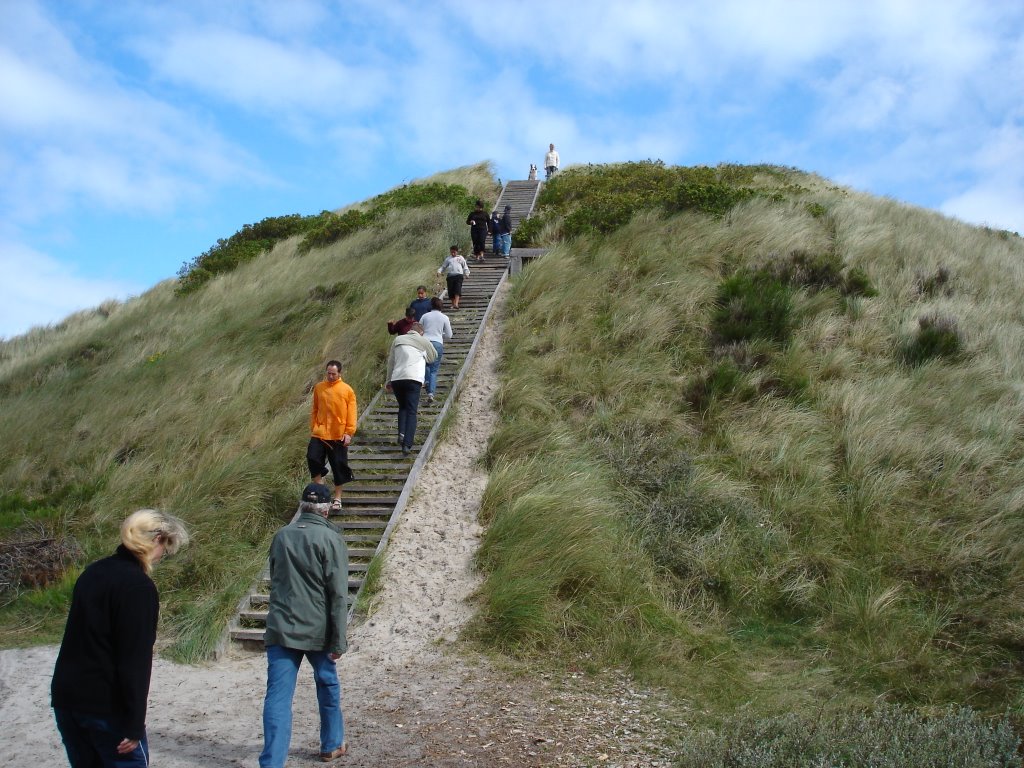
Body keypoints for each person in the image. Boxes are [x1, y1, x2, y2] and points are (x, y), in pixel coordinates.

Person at [51, 509, 190, 768]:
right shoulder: (137, 586)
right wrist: (135, 724)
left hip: (67, 698)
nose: (163, 555)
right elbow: (134, 660)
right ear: (157, 539)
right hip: (106, 706)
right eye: (166, 546)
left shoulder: (93, 572)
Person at [260, 483, 349, 766]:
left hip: (282, 626)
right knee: (327, 683)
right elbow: (337, 594)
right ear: (326, 509)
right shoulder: (331, 539)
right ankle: (331, 743)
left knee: (277, 696)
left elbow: (276, 578)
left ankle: (272, 762)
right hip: (317, 629)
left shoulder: (281, 536)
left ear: (303, 506)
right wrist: (339, 640)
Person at [308, 360, 357, 511]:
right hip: (320, 433)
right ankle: (322, 489)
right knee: (312, 457)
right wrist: (314, 426)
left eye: (333, 374)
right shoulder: (319, 388)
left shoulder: (347, 390)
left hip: (338, 434)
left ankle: (337, 498)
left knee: (338, 466)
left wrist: (349, 432)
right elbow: (315, 409)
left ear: (339, 373)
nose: (330, 376)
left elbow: (352, 413)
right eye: (328, 373)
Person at [385, 323, 437, 456]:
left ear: (409, 331)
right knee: (412, 411)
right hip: (413, 379)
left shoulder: (398, 340)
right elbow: (433, 357)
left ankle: (401, 434)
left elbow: (391, 361)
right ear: (421, 333)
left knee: (402, 406)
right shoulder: (423, 341)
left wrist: (388, 381)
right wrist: (424, 353)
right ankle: (407, 444)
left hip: (397, 378)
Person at [419, 297, 453, 404]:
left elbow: (419, 329)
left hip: (425, 342)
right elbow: (449, 335)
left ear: (431, 306)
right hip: (437, 343)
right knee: (434, 369)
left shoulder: (425, 316)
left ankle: (427, 381)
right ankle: (431, 393)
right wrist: (440, 333)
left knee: (425, 365)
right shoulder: (444, 318)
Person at [437, 245, 470, 310]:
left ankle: (456, 304)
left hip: (458, 276)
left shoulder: (460, 258)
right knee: (451, 290)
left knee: (457, 289)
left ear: (457, 252)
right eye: (451, 252)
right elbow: (443, 267)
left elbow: (465, 266)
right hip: (450, 276)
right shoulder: (448, 259)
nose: (453, 254)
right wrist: (439, 271)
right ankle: (453, 303)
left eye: (454, 252)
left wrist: (467, 273)